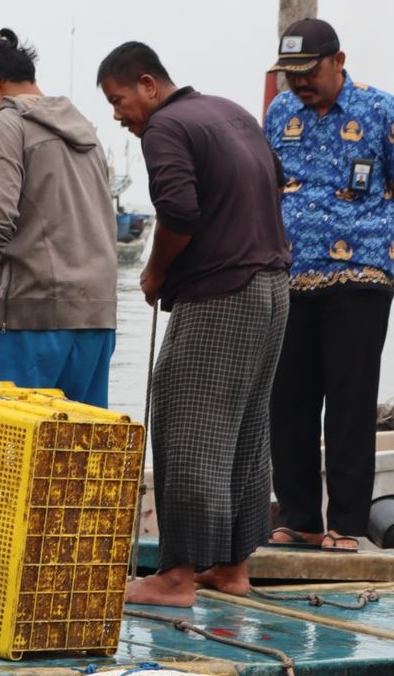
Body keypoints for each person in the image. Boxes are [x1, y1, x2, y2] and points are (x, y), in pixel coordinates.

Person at [96, 41, 291, 607]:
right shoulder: (230, 112)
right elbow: (277, 184)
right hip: (274, 288)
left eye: (119, 99)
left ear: (149, 86)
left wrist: (156, 273)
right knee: (246, 427)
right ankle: (232, 568)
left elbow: (179, 212)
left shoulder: (166, 127)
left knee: (187, 420)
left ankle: (176, 577)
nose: (117, 114)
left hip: (223, 292)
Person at [263, 18, 394, 553]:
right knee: (287, 399)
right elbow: (268, 186)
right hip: (291, 279)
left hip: (361, 279)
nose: (299, 84)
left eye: (309, 72)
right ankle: (300, 517)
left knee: (350, 401)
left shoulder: (384, 111)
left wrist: (364, 234)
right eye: (291, 75)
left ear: (338, 60)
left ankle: (348, 524)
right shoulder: (280, 113)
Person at [0, 28, 118, 406]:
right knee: (73, 455)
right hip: (97, 321)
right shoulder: (85, 130)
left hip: (30, 320)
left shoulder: (7, 125)